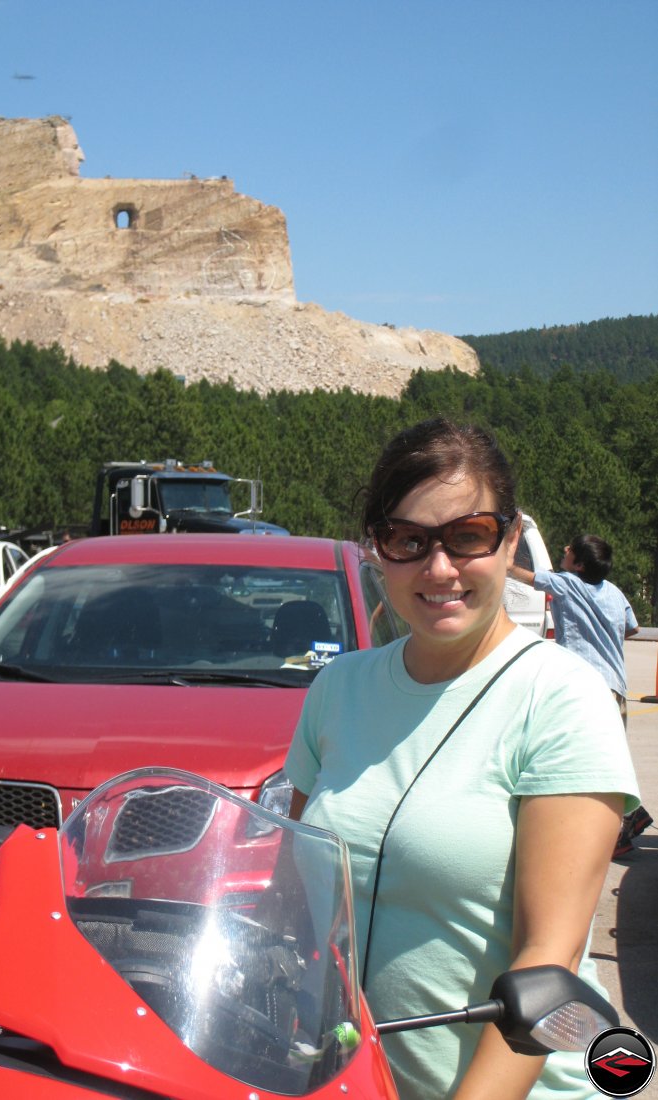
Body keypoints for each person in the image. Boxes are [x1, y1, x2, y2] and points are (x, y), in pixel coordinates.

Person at [284, 417, 640, 1100]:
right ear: (376, 548)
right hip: (356, 1082)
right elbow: (299, 900)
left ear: (508, 542)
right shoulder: (338, 689)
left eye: (467, 536)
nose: (438, 567)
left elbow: (550, 960)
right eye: (407, 540)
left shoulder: (560, 698)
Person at [507, 534, 652, 858]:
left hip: (585, 687)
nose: (564, 550)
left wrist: (504, 556)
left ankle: (613, 828)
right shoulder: (614, 593)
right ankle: (626, 824)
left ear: (580, 564)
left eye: (569, 549)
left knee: (580, 761)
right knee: (608, 758)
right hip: (615, 688)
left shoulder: (566, 584)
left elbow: (524, 576)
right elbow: (632, 628)